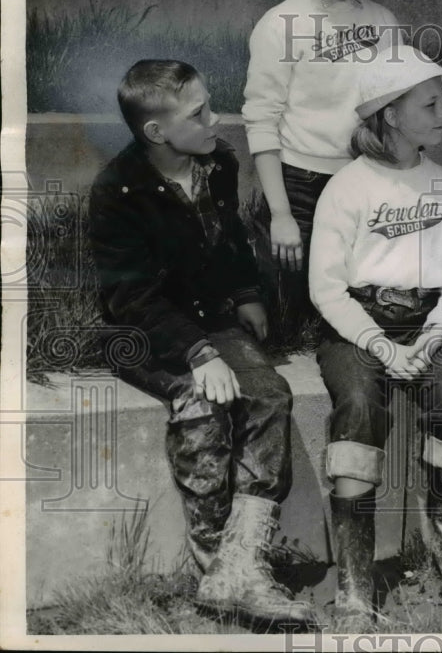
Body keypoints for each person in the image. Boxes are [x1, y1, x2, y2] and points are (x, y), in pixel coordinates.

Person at [88, 60, 315, 627]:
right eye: (200, 113)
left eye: (211, 105)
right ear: (157, 132)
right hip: (140, 332)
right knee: (200, 401)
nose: (218, 119)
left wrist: (245, 293)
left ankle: (243, 560)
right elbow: (128, 298)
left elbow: (232, 237)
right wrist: (200, 353)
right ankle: (216, 565)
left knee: (270, 394)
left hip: (209, 320)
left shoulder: (216, 164)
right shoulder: (118, 190)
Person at [309, 46, 442, 631]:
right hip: (358, 324)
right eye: (431, 104)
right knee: (358, 407)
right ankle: (355, 579)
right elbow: (326, 290)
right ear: (390, 116)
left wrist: (435, 334)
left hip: (430, 324)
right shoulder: (348, 187)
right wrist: (384, 349)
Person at [242, 0, 401, 313]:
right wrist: (281, 216)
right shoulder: (281, 24)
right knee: (283, 313)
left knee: (374, 304)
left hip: (366, 177)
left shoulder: (383, 21)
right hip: (301, 186)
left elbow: (396, 109)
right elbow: (261, 120)